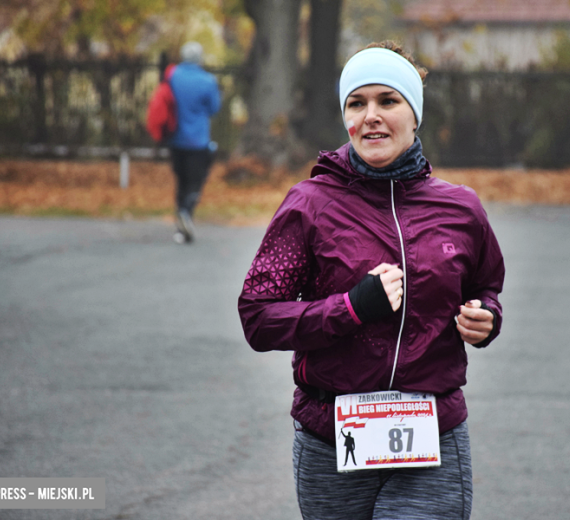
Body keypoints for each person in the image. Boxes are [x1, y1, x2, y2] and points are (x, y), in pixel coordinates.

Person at [238, 41, 504, 520]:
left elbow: (486, 288)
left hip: (433, 437)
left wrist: (486, 318)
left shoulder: (461, 209)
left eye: (388, 100)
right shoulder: (309, 205)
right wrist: (352, 307)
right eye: (357, 103)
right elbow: (258, 317)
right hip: (332, 438)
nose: (372, 115)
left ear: (414, 113)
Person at [168, 41, 221, 244]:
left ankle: (181, 220)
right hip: (198, 140)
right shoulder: (207, 81)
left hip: (175, 138)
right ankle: (186, 213)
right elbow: (214, 108)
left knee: (180, 180)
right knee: (195, 181)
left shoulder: (172, 76)